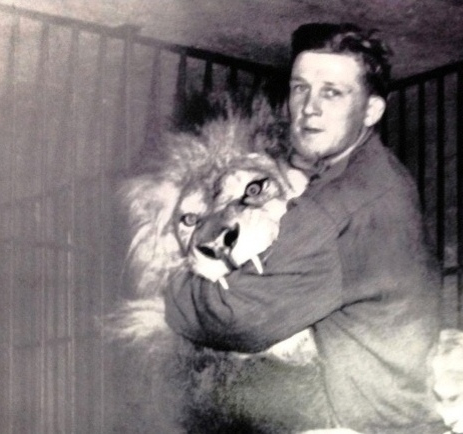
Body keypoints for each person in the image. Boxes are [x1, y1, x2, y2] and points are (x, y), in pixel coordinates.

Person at [164, 23, 445, 434]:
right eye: (300, 88)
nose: (309, 107)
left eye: (332, 92)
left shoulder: (338, 208)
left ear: (371, 111)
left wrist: (169, 286)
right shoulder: (384, 174)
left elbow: (231, 316)